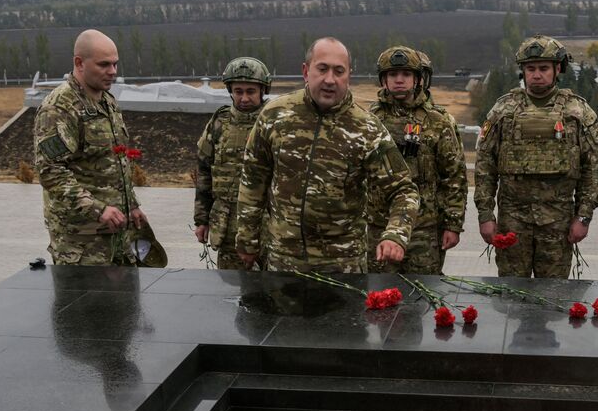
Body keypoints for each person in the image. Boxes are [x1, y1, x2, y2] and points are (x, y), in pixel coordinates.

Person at [234, 37, 418, 273]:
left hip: (342, 266)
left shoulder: (367, 128)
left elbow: (403, 190)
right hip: (282, 262)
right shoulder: (275, 116)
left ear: (348, 75)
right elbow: (253, 179)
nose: (330, 80)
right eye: (322, 69)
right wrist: (247, 239)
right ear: (306, 71)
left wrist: (395, 234)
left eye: (338, 71)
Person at [474, 35, 598, 278]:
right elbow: (484, 167)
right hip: (513, 218)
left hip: (558, 221)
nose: (536, 75)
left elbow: (592, 170)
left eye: (543, 68)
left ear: (557, 69)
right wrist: (485, 215)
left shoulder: (577, 113)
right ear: (523, 71)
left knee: (553, 296)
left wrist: (583, 217)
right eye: (530, 69)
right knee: (512, 293)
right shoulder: (503, 110)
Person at [34, 29, 152, 266]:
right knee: (86, 303)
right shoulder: (60, 108)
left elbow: (115, 162)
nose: (113, 72)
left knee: (122, 302)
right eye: (104, 65)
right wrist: (98, 210)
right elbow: (51, 171)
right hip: (82, 240)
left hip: (116, 232)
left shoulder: (106, 102)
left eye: (115, 64)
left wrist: (132, 205)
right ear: (79, 63)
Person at [367, 45, 467, 273]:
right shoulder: (369, 121)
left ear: (417, 79)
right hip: (379, 227)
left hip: (424, 229)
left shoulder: (438, 121)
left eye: (406, 75)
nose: (399, 80)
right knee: (378, 294)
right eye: (393, 74)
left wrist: (453, 224)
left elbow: (454, 176)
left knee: (423, 295)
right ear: (383, 80)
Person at [194, 56, 270, 270]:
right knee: (230, 290)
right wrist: (201, 219)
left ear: (262, 90)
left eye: (250, 91)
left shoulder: (274, 122)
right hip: (227, 227)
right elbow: (204, 171)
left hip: (267, 225)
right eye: (238, 91)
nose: (244, 98)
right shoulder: (219, 122)